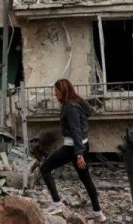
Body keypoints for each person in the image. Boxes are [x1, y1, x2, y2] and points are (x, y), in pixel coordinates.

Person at [40, 79, 106, 222]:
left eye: (57, 92)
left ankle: (57, 202)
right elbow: (89, 114)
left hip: (72, 148)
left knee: (45, 169)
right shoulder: (78, 102)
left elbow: (76, 130)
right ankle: (98, 213)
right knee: (86, 179)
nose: (55, 95)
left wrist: (79, 154)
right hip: (81, 146)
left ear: (64, 92)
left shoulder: (70, 107)